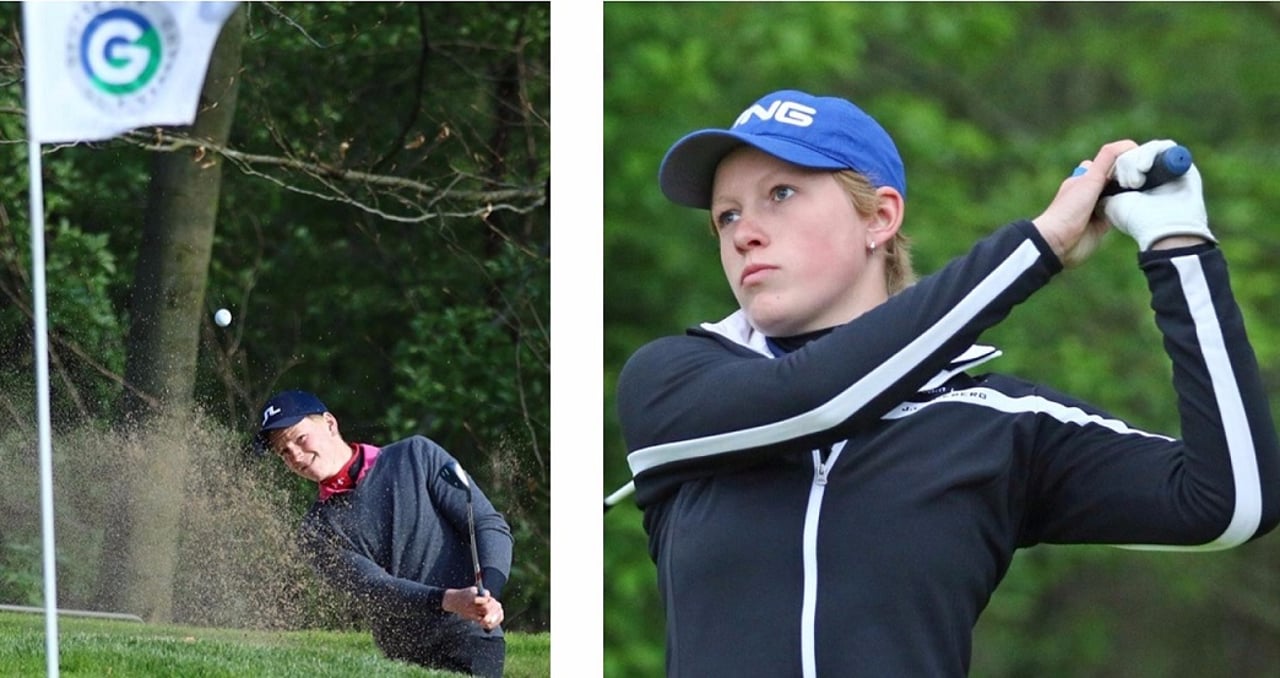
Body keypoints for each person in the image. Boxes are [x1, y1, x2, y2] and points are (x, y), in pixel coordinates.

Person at [614, 89, 1280, 677]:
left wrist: (1177, 245)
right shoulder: (671, 382)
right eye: (725, 216)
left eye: (780, 194)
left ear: (880, 217)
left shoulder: (997, 422)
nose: (744, 234)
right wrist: (1039, 244)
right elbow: (816, 400)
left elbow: (1231, 501)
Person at [257, 389, 513, 677]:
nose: (295, 455)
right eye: (283, 452)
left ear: (330, 424)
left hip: (470, 641)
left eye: (300, 438)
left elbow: (487, 524)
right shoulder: (316, 531)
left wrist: (489, 592)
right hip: (401, 661)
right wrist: (449, 599)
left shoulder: (417, 456)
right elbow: (376, 588)